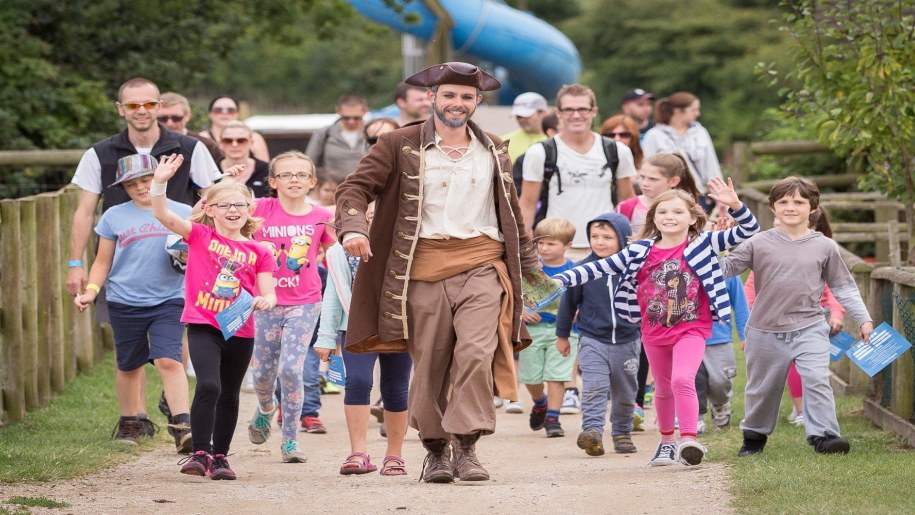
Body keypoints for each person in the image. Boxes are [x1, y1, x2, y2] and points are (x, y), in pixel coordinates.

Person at [334, 61, 539, 484]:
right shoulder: (398, 143)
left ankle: (466, 446)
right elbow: (354, 190)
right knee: (429, 362)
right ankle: (435, 450)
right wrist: (353, 227)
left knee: (477, 352)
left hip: (483, 262)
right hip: (421, 266)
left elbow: (512, 213)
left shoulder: (495, 147)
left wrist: (533, 274)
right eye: (449, 95)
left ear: (477, 102)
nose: (457, 103)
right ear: (433, 99)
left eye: (466, 97)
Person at [554, 179, 760, 466]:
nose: (670, 217)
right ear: (653, 218)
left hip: (692, 327)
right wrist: (560, 279)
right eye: (663, 212)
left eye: (677, 212)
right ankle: (665, 443)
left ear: (692, 218)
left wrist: (736, 205)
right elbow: (598, 268)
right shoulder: (639, 250)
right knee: (663, 388)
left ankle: (689, 439)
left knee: (682, 379)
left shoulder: (704, 243)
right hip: (653, 330)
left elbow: (750, 230)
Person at [67, 78, 220, 437]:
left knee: (172, 344)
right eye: (133, 105)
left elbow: (212, 197)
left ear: (158, 106)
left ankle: (179, 415)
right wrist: (76, 265)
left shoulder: (189, 147)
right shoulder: (101, 153)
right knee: (130, 354)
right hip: (125, 260)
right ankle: (135, 419)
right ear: (121, 109)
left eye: (148, 105)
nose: (141, 111)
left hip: (176, 263)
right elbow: (84, 212)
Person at [721, 180, 870, 456]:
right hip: (764, 330)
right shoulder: (758, 242)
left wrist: (863, 318)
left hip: (810, 327)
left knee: (816, 379)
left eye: (799, 202)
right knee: (762, 389)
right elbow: (725, 270)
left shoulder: (825, 246)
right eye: (784, 202)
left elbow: (843, 287)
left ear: (812, 208)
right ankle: (754, 438)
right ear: (773, 207)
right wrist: (716, 245)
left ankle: (824, 436)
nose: (791, 207)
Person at [152, 154, 278, 480]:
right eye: (224, 206)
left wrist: (266, 300)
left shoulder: (260, 251)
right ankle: (200, 453)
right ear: (209, 210)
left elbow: (269, 291)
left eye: (239, 205)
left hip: (240, 327)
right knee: (208, 385)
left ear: (250, 210)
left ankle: (220, 457)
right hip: (204, 324)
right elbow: (163, 214)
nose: (233, 211)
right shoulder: (199, 235)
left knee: (230, 394)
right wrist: (160, 182)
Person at [73, 154, 192, 452]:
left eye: (146, 180)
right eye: (132, 184)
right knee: (128, 365)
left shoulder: (182, 212)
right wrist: (91, 289)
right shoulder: (114, 216)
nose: (140, 188)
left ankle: (183, 426)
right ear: (123, 188)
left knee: (169, 359)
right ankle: (130, 422)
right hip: (124, 300)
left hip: (170, 298)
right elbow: (102, 261)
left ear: (160, 178)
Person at [244, 151, 335, 463]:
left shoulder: (322, 216)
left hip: (306, 301)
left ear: (312, 181)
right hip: (264, 302)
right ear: (272, 181)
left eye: (300, 175)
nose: (293, 179)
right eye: (285, 174)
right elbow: (220, 216)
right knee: (263, 373)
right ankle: (266, 408)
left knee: (291, 369)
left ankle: (290, 441)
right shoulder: (257, 209)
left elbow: (336, 255)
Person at [313, 203, 413, 476]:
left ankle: (395, 454)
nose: (373, 222)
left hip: (397, 327)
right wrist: (325, 336)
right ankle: (358, 452)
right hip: (355, 326)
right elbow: (332, 297)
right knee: (357, 382)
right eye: (367, 218)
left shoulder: (404, 249)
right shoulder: (340, 253)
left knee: (396, 387)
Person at [557, 212, 642, 456]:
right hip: (593, 339)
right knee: (594, 387)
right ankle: (592, 432)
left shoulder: (633, 268)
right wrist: (562, 335)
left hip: (628, 341)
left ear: (624, 240)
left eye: (607, 236)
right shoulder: (583, 269)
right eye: (594, 236)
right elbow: (568, 304)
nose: (600, 242)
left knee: (626, 393)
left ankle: (622, 432)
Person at [519, 83, 637, 254]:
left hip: (605, 247)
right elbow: (528, 203)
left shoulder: (618, 151)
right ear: (558, 113)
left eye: (582, 109)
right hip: (556, 248)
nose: (576, 115)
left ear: (593, 112)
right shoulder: (539, 152)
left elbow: (626, 201)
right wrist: (524, 248)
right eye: (568, 110)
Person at [519, 218, 578, 437]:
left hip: (562, 331)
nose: (544, 248)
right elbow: (514, 294)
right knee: (531, 378)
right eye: (540, 243)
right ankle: (540, 403)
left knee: (557, 375)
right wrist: (522, 312)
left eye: (551, 244)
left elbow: (581, 296)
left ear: (567, 245)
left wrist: (577, 311)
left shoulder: (574, 269)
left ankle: (553, 418)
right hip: (531, 330)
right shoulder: (528, 268)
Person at [642, 92, 722, 210]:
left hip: (698, 196)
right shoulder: (654, 135)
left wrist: (719, 195)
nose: (697, 114)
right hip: (666, 198)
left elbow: (711, 165)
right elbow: (648, 169)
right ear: (679, 111)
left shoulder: (700, 132)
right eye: (693, 110)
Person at [695, 274, 748, 433]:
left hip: (720, 336)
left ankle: (720, 404)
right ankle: (695, 417)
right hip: (691, 335)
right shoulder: (685, 265)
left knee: (721, 381)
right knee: (695, 379)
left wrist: (745, 335)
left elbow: (740, 306)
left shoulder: (729, 273)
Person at [306, 94, 369, 182]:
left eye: (356, 118)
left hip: (367, 189)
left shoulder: (373, 134)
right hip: (332, 190)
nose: (351, 121)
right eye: (346, 118)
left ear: (365, 111)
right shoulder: (323, 133)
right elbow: (308, 163)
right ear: (338, 111)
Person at [199, 96, 270, 161]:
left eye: (230, 110)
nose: (224, 113)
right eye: (218, 110)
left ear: (237, 114)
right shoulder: (201, 138)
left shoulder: (255, 138)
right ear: (210, 114)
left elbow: (265, 170)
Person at [158, 92, 223, 162]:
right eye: (163, 118)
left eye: (176, 118)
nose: (169, 123)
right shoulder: (148, 144)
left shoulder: (206, 145)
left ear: (187, 115)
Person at [217, 120, 270, 197]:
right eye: (228, 140)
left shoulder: (268, 170)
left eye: (241, 140)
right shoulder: (211, 171)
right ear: (220, 143)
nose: (234, 144)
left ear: (251, 142)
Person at [502, 92, 549, 163]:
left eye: (527, 115)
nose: (522, 120)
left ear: (542, 113)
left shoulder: (559, 140)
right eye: (518, 116)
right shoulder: (503, 142)